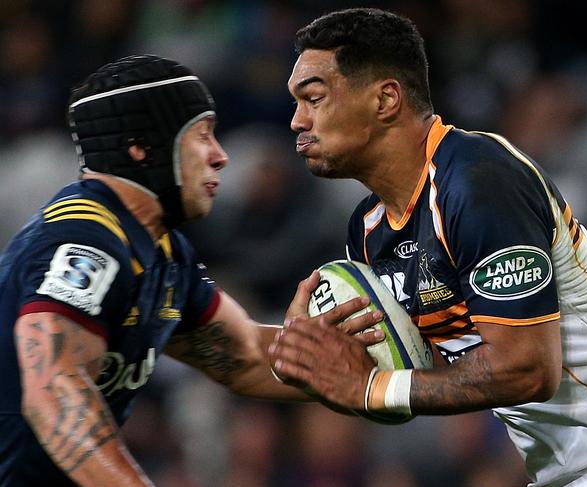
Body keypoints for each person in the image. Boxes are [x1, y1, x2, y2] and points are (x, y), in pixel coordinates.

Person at [269, 8, 587, 486]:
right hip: (569, 473)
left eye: (314, 98)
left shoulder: (476, 180)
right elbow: (409, 378)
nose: (296, 121)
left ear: (386, 98)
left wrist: (369, 388)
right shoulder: (368, 231)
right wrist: (303, 350)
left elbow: (529, 369)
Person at [0, 54, 383, 487]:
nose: (220, 157)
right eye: (201, 136)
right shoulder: (87, 240)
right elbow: (53, 392)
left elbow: (246, 359)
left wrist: (384, 368)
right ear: (140, 147)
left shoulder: (164, 252)